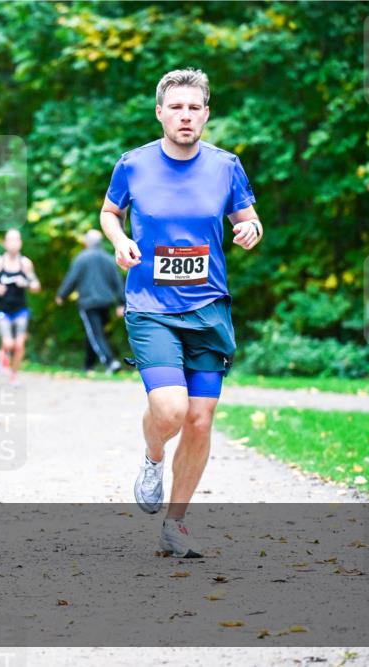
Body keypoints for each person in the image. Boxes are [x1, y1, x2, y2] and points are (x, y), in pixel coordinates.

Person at [99, 68, 263, 557]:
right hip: (151, 307)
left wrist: (251, 229)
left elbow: (247, 216)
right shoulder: (133, 164)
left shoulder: (226, 166)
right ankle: (153, 457)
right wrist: (120, 239)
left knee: (199, 419)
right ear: (160, 113)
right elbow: (110, 212)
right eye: (176, 107)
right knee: (170, 411)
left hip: (209, 309)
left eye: (195, 107)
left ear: (206, 114)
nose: (185, 115)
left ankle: (177, 523)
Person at [55, 229, 126, 375]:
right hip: (106, 302)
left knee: (95, 334)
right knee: (94, 333)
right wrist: (121, 303)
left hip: (89, 303)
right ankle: (88, 366)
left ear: (87, 243)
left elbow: (71, 279)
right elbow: (117, 282)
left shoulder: (81, 258)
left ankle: (111, 362)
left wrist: (61, 295)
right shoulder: (108, 258)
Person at [0, 228, 41, 383]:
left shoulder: (25, 264)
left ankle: (13, 375)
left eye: (16, 240)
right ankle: (3, 355)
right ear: (4, 243)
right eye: (10, 240)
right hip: (2, 309)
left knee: (19, 344)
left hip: (20, 309)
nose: (13, 243)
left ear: (20, 243)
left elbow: (37, 286)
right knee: (8, 342)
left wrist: (27, 283)